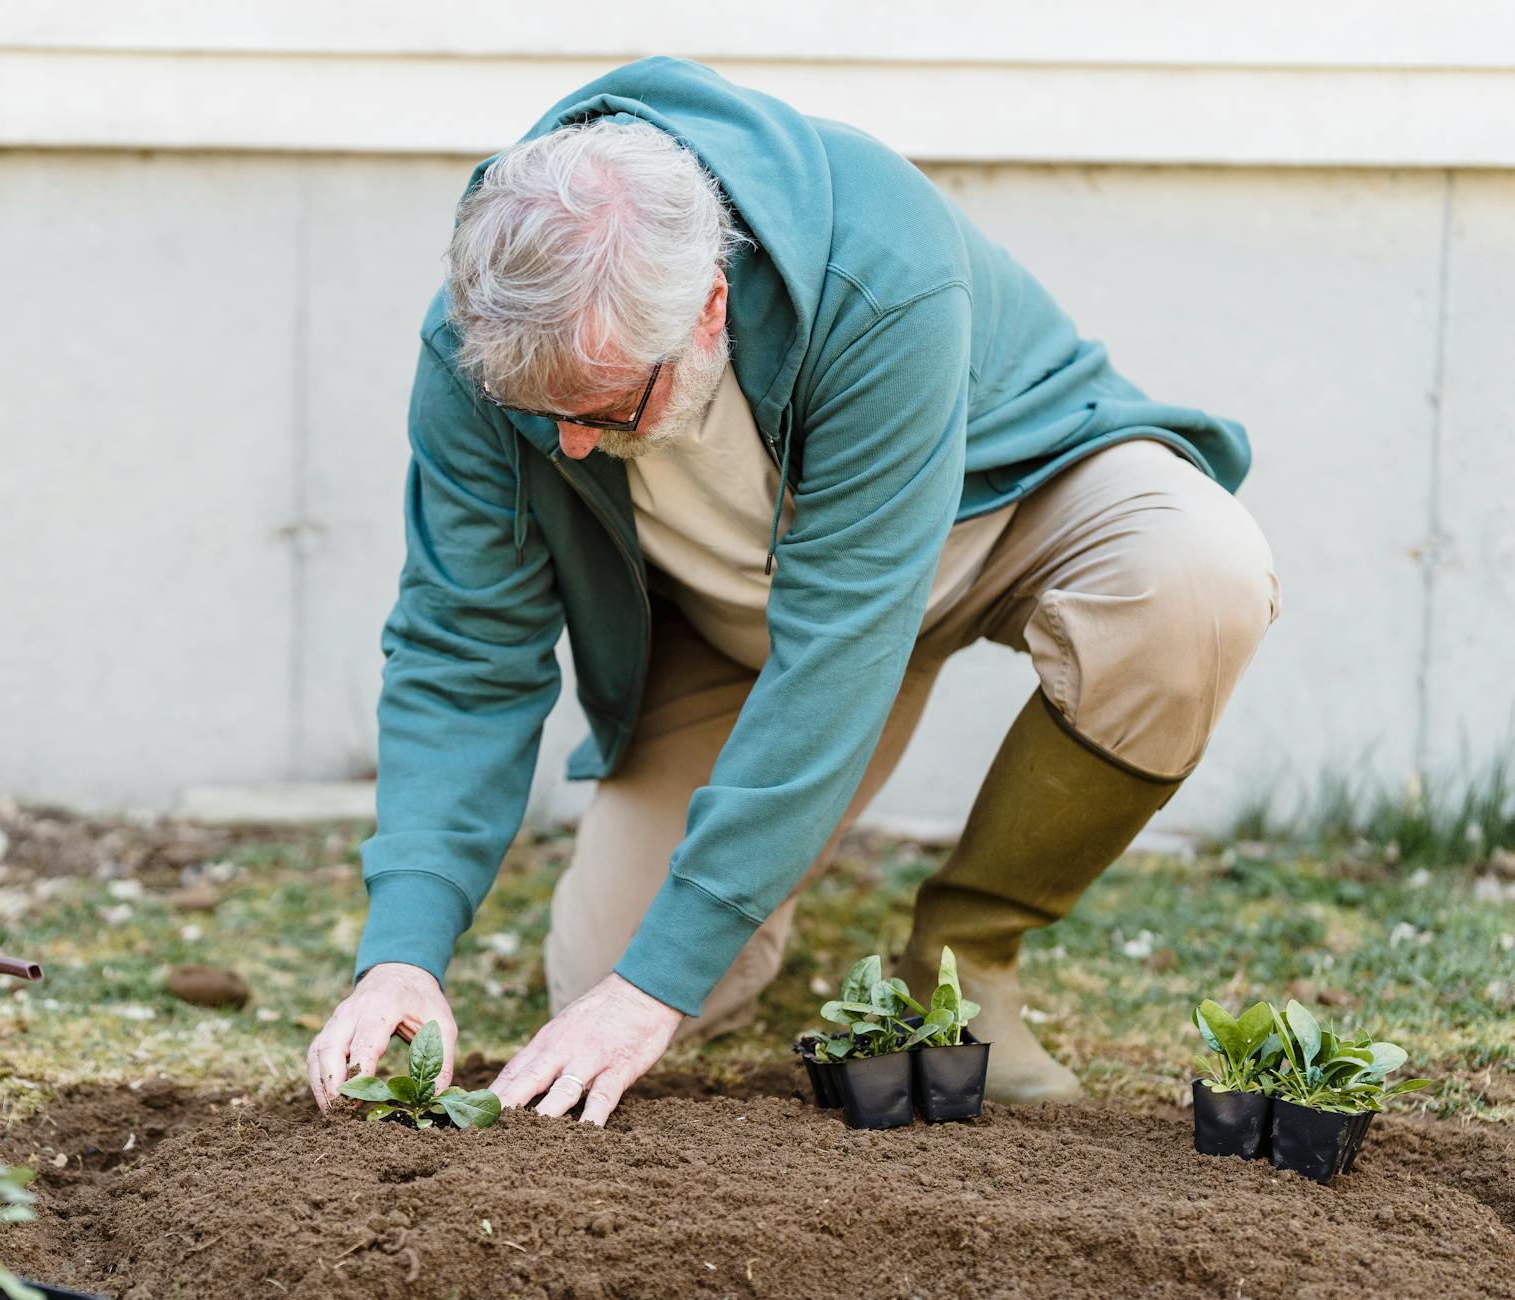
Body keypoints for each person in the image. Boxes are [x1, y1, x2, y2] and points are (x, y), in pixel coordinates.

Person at [306, 57, 1279, 1125]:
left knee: (1198, 576)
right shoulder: (485, 348)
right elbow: (462, 646)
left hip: (996, 510)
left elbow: (841, 642)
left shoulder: (877, 265)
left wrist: (656, 986)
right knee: (601, 980)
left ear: (711, 305)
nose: (571, 443)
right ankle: (756, 874)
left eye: (602, 409)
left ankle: (968, 949)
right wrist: (400, 953)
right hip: (745, 623)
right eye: (545, 419)